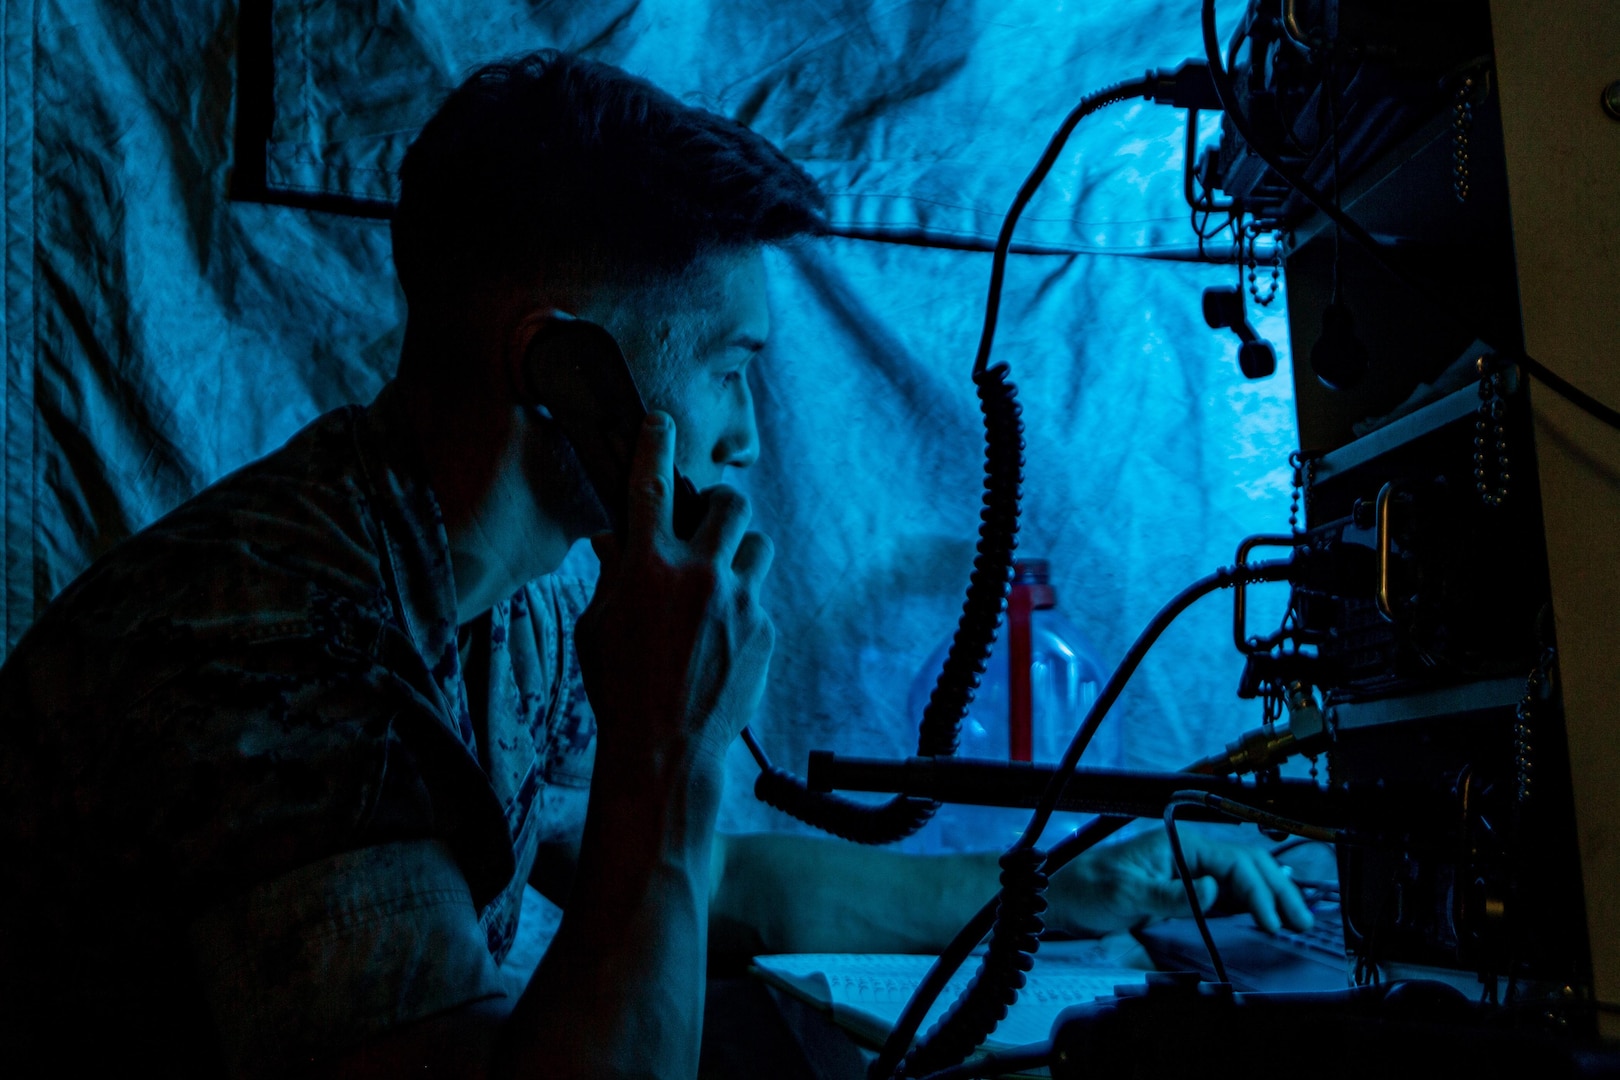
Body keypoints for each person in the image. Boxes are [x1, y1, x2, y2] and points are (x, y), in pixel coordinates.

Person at [0, 49, 1312, 1078]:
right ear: (566, 371)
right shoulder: (278, 650)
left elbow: (710, 881)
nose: (747, 441)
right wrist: (669, 754)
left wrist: (1055, 889)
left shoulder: (492, 608)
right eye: (733, 371)